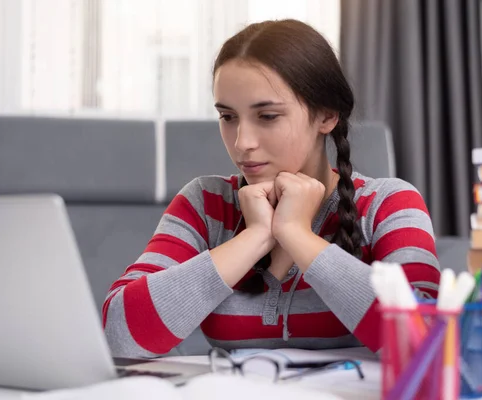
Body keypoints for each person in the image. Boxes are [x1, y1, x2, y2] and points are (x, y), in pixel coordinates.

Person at [103, 19, 440, 358]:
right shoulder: (205, 204)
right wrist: (255, 236)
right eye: (228, 117)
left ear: (326, 115)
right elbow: (119, 335)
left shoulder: (388, 204)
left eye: (267, 116)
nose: (242, 143)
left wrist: (296, 234)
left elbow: (427, 344)